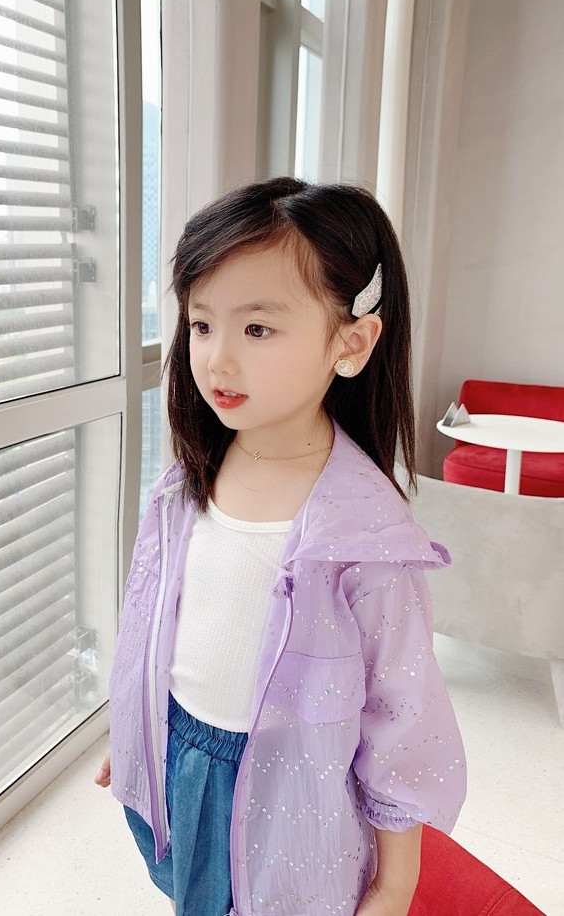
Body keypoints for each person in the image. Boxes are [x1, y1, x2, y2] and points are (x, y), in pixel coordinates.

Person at [95, 178, 466, 916]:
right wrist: (138, 729)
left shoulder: (364, 538)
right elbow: (156, 624)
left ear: (350, 343)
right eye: (202, 325)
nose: (217, 360)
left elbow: (400, 714)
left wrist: (395, 884)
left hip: (291, 791)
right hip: (179, 756)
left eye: (257, 329)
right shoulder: (184, 486)